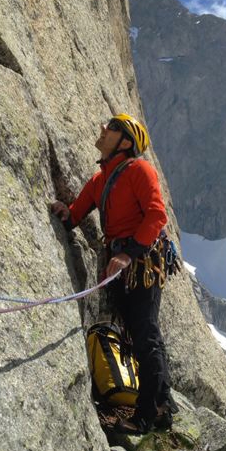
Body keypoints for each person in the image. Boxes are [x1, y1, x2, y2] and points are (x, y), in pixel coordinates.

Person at [49, 114, 176, 433]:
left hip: (141, 261)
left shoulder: (140, 170)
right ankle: (162, 400)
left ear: (125, 141)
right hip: (123, 262)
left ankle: (149, 416)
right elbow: (75, 215)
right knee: (136, 331)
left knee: (145, 332)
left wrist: (126, 253)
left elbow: (157, 215)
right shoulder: (100, 180)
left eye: (112, 127)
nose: (102, 128)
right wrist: (65, 213)